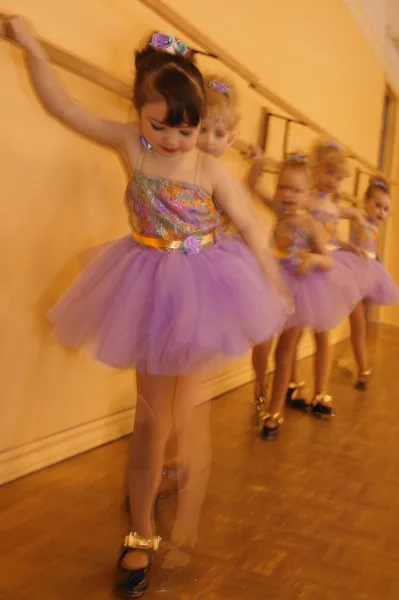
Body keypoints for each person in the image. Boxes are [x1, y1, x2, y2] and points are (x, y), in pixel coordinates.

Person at [7, 18, 290, 597]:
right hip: (146, 281)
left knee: (184, 406)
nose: (171, 140)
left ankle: (165, 472)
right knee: (149, 417)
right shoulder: (128, 146)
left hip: (209, 285)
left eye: (185, 131)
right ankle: (140, 533)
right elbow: (62, 106)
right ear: (139, 112)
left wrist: (274, 282)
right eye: (159, 125)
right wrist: (35, 47)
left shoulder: (208, 169)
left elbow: (255, 229)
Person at [248, 153, 367, 438]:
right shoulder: (278, 210)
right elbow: (252, 183)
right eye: (283, 187)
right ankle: (259, 388)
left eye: (296, 190)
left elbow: (328, 260)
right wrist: (259, 163)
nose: (288, 195)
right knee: (261, 343)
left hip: (300, 294)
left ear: (309, 192)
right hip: (271, 284)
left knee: (284, 353)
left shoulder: (311, 225)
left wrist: (313, 260)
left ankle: (274, 414)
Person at [348, 177, 399, 390]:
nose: (381, 212)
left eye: (385, 209)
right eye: (377, 205)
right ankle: (363, 368)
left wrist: (378, 267)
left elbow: (373, 249)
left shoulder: (376, 228)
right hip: (353, 271)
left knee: (361, 323)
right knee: (358, 323)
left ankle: (362, 367)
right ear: (366, 201)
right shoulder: (358, 217)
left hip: (369, 273)